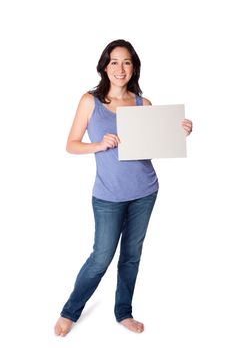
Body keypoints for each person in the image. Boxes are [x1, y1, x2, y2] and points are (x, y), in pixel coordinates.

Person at [54, 39, 192, 336]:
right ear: (105, 65)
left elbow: (151, 150)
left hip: (145, 191)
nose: (120, 68)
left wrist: (178, 134)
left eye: (127, 62)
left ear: (134, 67)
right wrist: (98, 144)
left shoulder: (143, 103)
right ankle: (70, 312)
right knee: (101, 257)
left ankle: (123, 312)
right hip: (108, 196)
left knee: (131, 255)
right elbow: (70, 144)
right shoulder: (89, 101)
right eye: (114, 61)